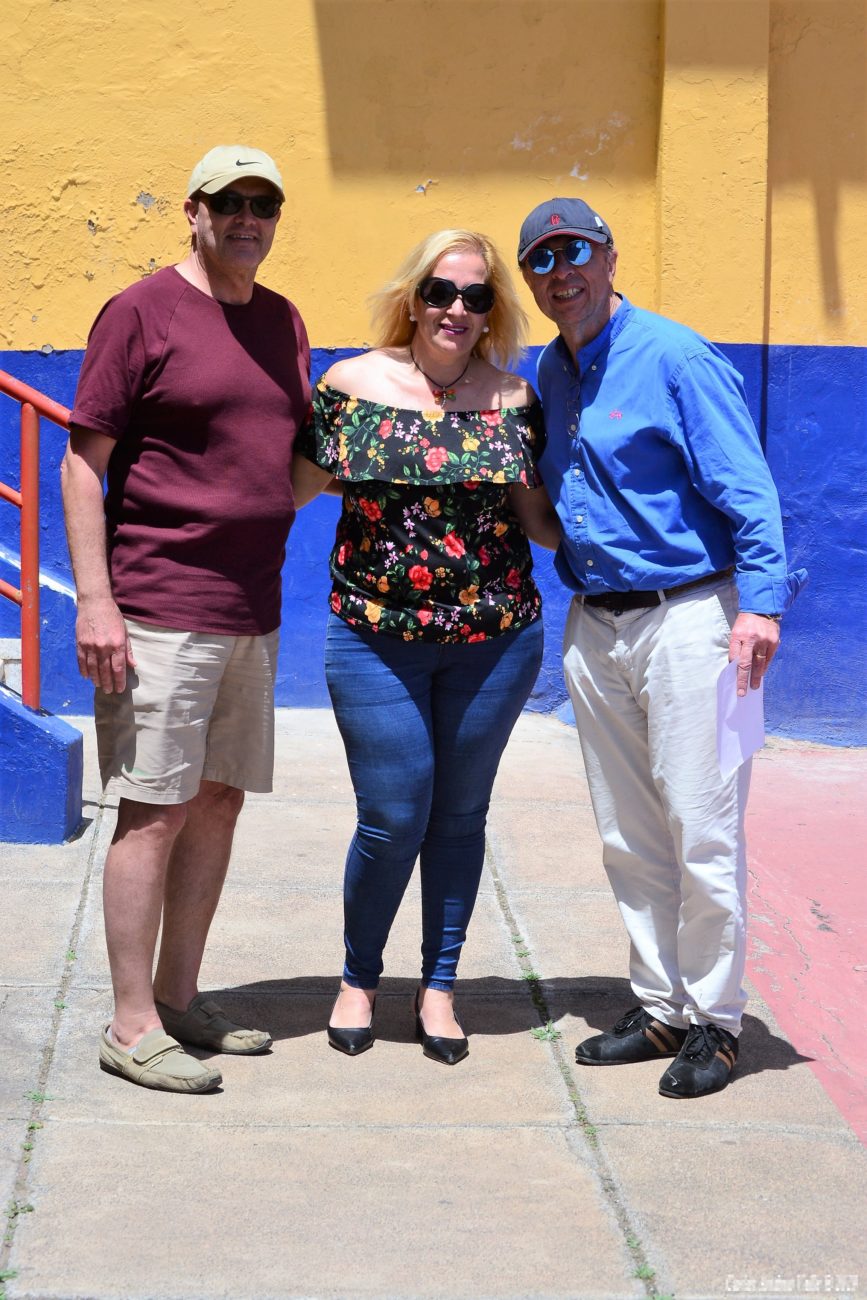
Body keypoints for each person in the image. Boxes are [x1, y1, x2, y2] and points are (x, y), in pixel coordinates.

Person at [517, 197, 806, 1098]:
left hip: (692, 622)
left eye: (575, 252)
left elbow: (747, 489)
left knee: (701, 826)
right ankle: (660, 1007)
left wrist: (760, 608)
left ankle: (716, 1021)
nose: (561, 272)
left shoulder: (675, 356)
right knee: (627, 832)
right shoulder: (550, 370)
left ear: (609, 257)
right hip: (595, 623)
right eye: (541, 260)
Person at [60, 145, 312, 1093]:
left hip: (251, 605)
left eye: (264, 204)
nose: (248, 218)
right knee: (153, 810)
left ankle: (177, 997)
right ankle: (129, 1026)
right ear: (193, 211)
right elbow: (82, 463)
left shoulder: (282, 320)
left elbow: (283, 458)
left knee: (217, 800)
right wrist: (97, 601)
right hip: (159, 605)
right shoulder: (141, 311)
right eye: (229, 201)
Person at [291, 229, 558, 1064]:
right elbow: (285, 487)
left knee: (459, 817)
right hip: (373, 636)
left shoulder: (513, 398)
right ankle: (358, 978)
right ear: (413, 298)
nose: (455, 309)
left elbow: (539, 522)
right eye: (440, 291)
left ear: (491, 310)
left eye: (475, 296)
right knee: (392, 817)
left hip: (495, 640)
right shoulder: (350, 384)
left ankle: (438, 987)